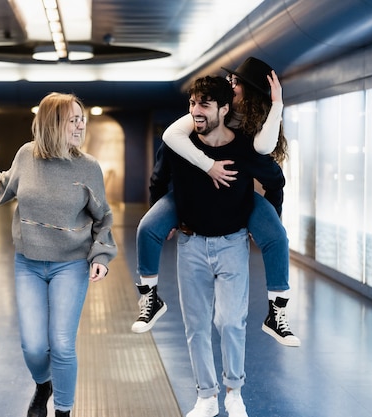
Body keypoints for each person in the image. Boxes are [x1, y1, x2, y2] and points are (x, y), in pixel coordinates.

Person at [132, 57, 300, 348]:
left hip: (240, 200)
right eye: (231, 82)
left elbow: (265, 152)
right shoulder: (204, 110)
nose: (230, 86)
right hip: (188, 200)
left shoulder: (250, 129)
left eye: (236, 84)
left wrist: (277, 104)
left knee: (277, 236)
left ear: (247, 94)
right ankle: (150, 297)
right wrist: (209, 165)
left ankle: (276, 313)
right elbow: (170, 138)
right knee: (147, 228)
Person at [0, 92, 117, 417]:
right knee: (34, 347)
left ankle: (63, 410)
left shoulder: (88, 167)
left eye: (82, 119)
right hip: (30, 264)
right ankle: (43, 384)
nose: (81, 125)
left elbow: (103, 217)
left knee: (62, 344)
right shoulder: (27, 156)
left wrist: (101, 257)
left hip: (71, 264)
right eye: (73, 119)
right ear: (52, 124)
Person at [156, 75, 285, 417]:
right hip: (190, 244)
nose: (195, 111)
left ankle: (234, 392)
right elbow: (159, 176)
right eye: (192, 104)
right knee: (196, 325)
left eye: (203, 105)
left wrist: (268, 222)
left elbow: (275, 180)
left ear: (224, 109)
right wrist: (162, 216)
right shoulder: (180, 143)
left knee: (230, 322)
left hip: (232, 245)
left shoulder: (243, 146)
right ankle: (206, 397)